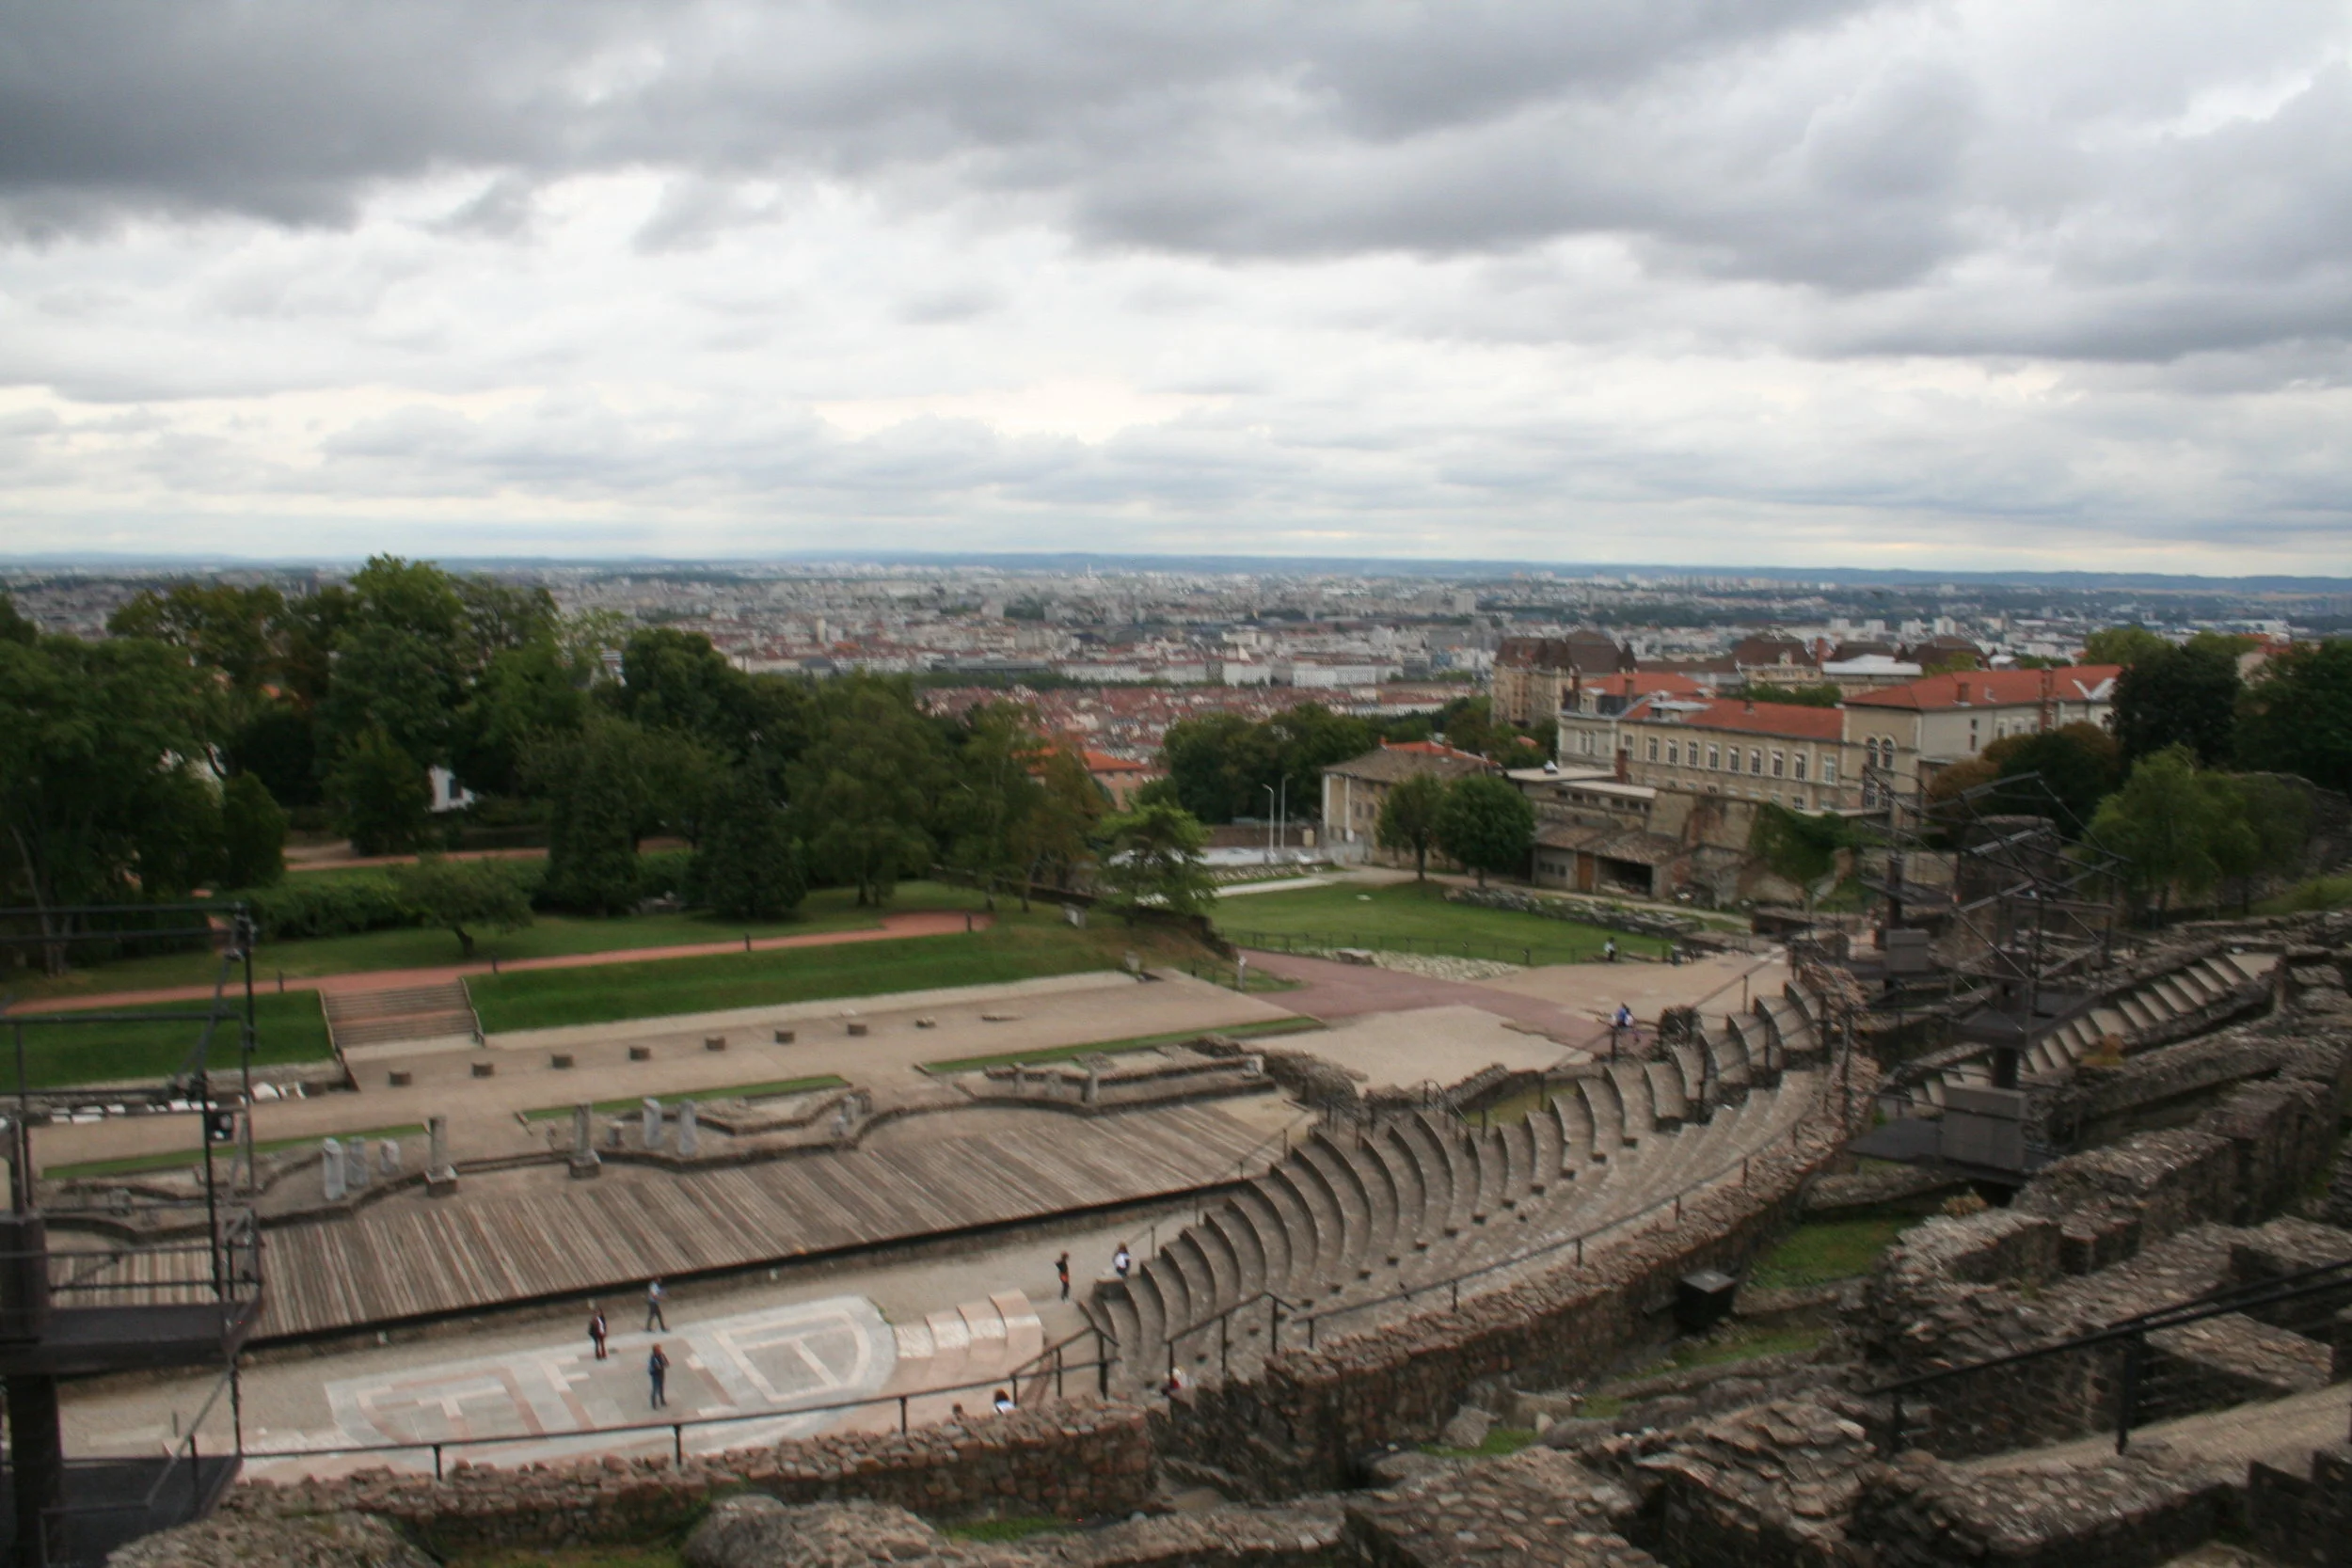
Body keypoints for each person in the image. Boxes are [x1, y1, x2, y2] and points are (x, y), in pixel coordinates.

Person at [648, 1342, 670, 1409]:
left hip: (661, 1373)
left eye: (660, 1349)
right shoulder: (653, 1358)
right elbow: (657, 1366)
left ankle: (662, 1401)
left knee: (661, 1388)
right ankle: (653, 1404)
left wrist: (665, 1363)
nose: (660, 1351)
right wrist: (662, 1365)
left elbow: (666, 1363)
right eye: (658, 1350)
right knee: (655, 1389)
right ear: (655, 1351)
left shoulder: (662, 1355)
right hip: (655, 1375)